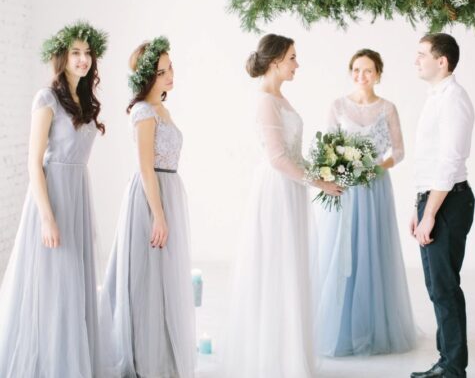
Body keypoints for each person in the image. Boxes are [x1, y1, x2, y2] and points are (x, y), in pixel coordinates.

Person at [224, 34, 342, 377]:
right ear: (275, 61)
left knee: (291, 265)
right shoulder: (265, 101)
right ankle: (273, 358)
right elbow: (276, 158)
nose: (297, 64)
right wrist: (319, 182)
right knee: (277, 266)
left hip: (292, 188)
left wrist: (322, 169)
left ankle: (289, 352)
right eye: (292, 57)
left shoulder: (280, 98)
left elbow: (292, 153)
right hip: (277, 189)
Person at [0, 20, 108, 377]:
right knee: (53, 283)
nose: (83, 59)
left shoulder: (87, 101)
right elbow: (33, 163)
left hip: (78, 193)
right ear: (62, 57)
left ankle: (72, 359)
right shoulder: (46, 98)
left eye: (87, 53)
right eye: (75, 53)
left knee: (74, 284)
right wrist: (47, 217)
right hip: (54, 198)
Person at [100, 36, 196, 377]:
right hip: (149, 195)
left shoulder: (162, 109)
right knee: (146, 277)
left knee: (163, 277)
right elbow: (145, 167)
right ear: (146, 76)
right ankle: (143, 356)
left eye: (170, 68)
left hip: (168, 188)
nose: (170, 75)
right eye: (161, 71)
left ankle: (163, 352)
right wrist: (158, 214)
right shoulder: (143, 112)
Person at [315, 49, 416, 357]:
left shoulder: (388, 109)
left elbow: (398, 152)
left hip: (374, 188)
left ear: (379, 74)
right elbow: (327, 147)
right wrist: (340, 169)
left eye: (368, 70)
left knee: (372, 251)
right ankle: (340, 328)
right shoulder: (337, 106)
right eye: (356, 70)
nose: (362, 76)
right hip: (345, 188)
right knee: (341, 251)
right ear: (350, 72)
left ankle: (373, 327)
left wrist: (375, 168)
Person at [410, 33, 475, 378]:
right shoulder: (435, 97)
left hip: (449, 202)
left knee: (445, 286)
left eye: (422, 54)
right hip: (432, 200)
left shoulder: (453, 100)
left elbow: (450, 162)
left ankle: (453, 367)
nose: (416, 60)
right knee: (437, 286)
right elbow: (427, 160)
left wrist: (431, 213)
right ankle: (445, 360)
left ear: (442, 62)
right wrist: (417, 209)